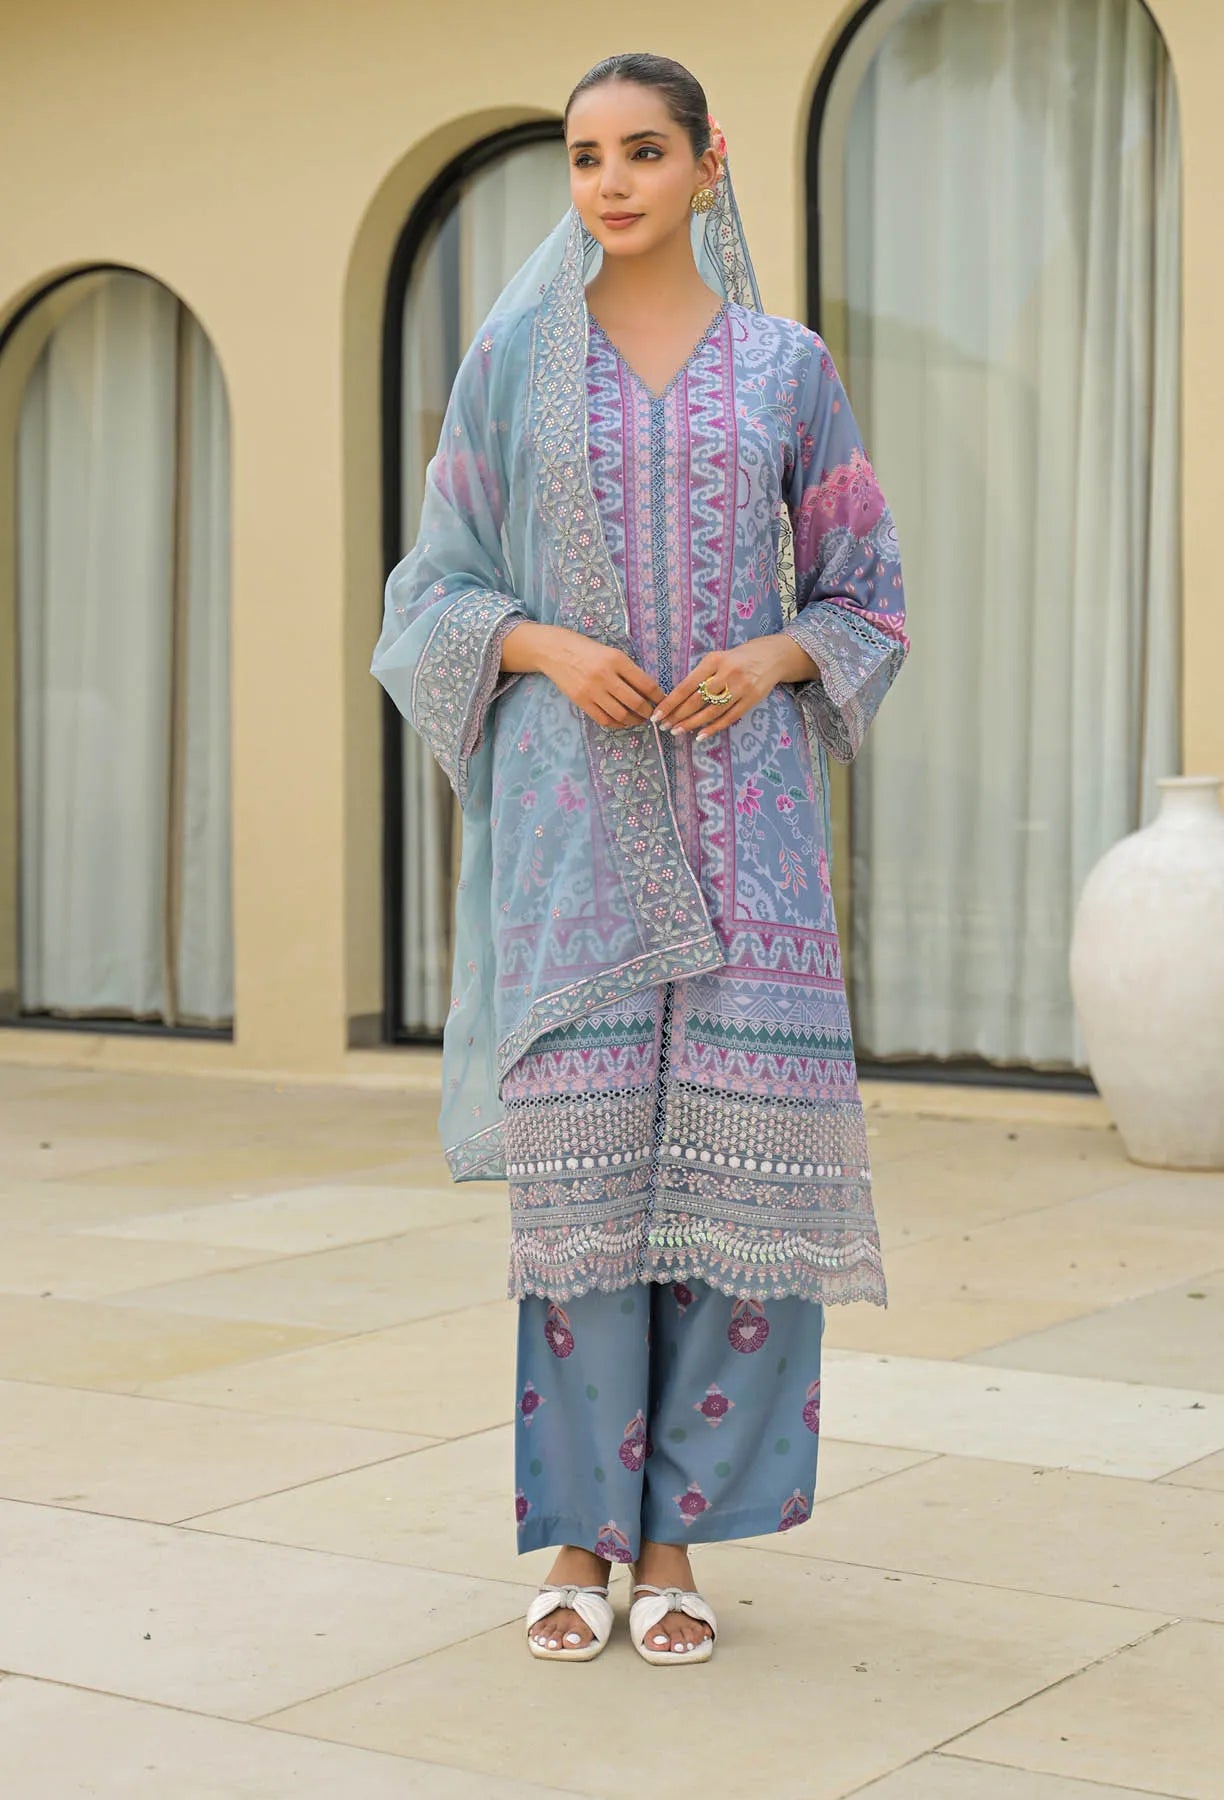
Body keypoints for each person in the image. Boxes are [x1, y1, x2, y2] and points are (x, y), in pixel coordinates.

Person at [371, 51, 909, 1666]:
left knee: (732, 1213)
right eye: (586, 155)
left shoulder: (788, 372)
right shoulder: (511, 363)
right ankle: (567, 1534)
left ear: (707, 163)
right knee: (587, 1199)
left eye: (644, 152)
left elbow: (866, 592)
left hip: (746, 842)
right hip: (573, 840)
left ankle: (675, 1542)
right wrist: (534, 639)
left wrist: (774, 661)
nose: (610, 182)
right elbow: (430, 595)